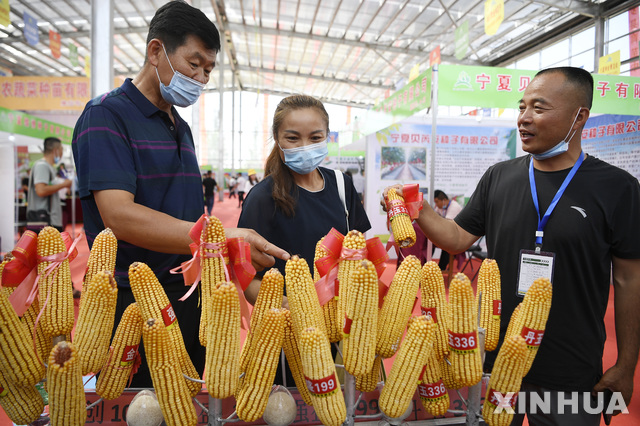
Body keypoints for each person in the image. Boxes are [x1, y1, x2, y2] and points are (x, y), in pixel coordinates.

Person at [382, 67, 640, 425]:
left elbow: (629, 280)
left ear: (578, 117)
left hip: (571, 367)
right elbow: (457, 238)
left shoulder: (617, 188)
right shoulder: (499, 177)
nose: (524, 118)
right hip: (496, 362)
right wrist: (417, 210)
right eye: (522, 106)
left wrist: (626, 365)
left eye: (539, 107)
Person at [72, 0, 288, 389]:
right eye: (194, 64)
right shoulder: (106, 115)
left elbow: (184, 213)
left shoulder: (180, 125)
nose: (202, 78)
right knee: (138, 405)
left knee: (185, 398)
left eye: (208, 69)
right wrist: (216, 236)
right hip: (132, 300)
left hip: (189, 294)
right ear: (157, 51)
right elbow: (118, 216)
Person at [238, 94, 371, 385]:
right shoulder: (262, 198)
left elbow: (359, 254)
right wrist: (296, 308)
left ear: (327, 137)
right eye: (293, 138)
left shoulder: (341, 185)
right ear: (277, 138)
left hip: (343, 332)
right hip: (289, 337)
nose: (305, 147)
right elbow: (247, 280)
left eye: (315, 137)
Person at [27, 137, 72, 232]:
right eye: (61, 150)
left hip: (50, 220)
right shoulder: (42, 166)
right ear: (55, 150)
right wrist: (64, 184)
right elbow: (41, 190)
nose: (61, 153)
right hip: (44, 219)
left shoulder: (49, 167)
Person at [432, 189, 462, 270]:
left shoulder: (454, 206)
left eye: (437, 202)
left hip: (457, 235)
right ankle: (426, 264)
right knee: (430, 242)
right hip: (446, 233)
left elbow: (447, 225)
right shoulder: (441, 207)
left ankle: (441, 268)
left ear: (444, 200)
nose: (436, 204)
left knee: (447, 244)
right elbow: (434, 218)